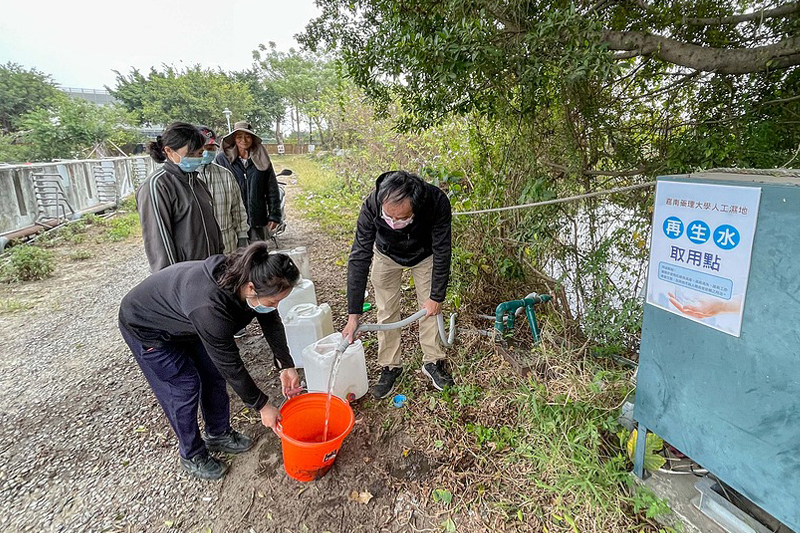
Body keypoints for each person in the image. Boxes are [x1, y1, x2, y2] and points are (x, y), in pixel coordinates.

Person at [118, 243, 303, 480]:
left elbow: (270, 320)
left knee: (212, 373)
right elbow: (231, 365)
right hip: (147, 325)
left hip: (185, 320)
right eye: (272, 302)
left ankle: (218, 433)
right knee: (184, 386)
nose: (275, 307)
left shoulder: (253, 279)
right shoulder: (210, 307)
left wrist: (286, 364)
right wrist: (262, 406)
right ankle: (191, 453)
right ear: (250, 288)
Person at [342, 170, 455, 399]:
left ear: (416, 207)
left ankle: (432, 361)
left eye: (402, 218)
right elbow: (359, 256)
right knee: (386, 309)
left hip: (425, 254)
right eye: (389, 217)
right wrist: (353, 314)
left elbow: (443, 250)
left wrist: (436, 297)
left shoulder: (436, 201)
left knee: (430, 310)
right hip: (386, 254)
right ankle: (390, 365)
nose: (394, 224)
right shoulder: (372, 204)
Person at [137, 122, 223, 272]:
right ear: (169, 151)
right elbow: (159, 243)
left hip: (209, 270)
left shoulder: (197, 183)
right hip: (185, 277)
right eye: (191, 154)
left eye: (199, 153)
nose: (198, 158)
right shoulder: (158, 186)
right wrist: (174, 283)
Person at [215, 121, 281, 242]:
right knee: (237, 257)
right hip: (232, 220)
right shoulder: (222, 158)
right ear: (234, 139)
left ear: (252, 138)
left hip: (257, 218)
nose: (243, 140)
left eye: (247, 136)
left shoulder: (261, 157)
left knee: (258, 255)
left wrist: (274, 216)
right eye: (239, 136)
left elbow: (272, 188)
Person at [196, 126, 250, 253]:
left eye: (210, 148)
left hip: (228, 245)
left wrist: (242, 237)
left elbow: (238, 209)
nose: (206, 152)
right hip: (200, 249)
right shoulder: (186, 178)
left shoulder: (226, 175)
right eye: (203, 148)